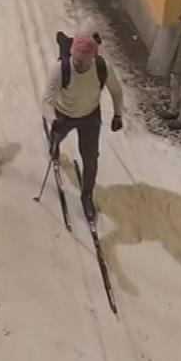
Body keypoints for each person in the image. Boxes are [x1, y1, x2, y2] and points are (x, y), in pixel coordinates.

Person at [44, 32, 124, 220]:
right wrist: (52, 119)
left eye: (83, 61)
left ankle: (87, 193)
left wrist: (118, 114)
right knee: (57, 138)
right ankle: (54, 146)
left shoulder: (102, 67)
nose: (78, 64)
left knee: (91, 158)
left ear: (93, 58)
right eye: (75, 59)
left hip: (90, 117)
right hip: (64, 114)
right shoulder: (60, 69)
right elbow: (46, 100)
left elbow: (116, 91)